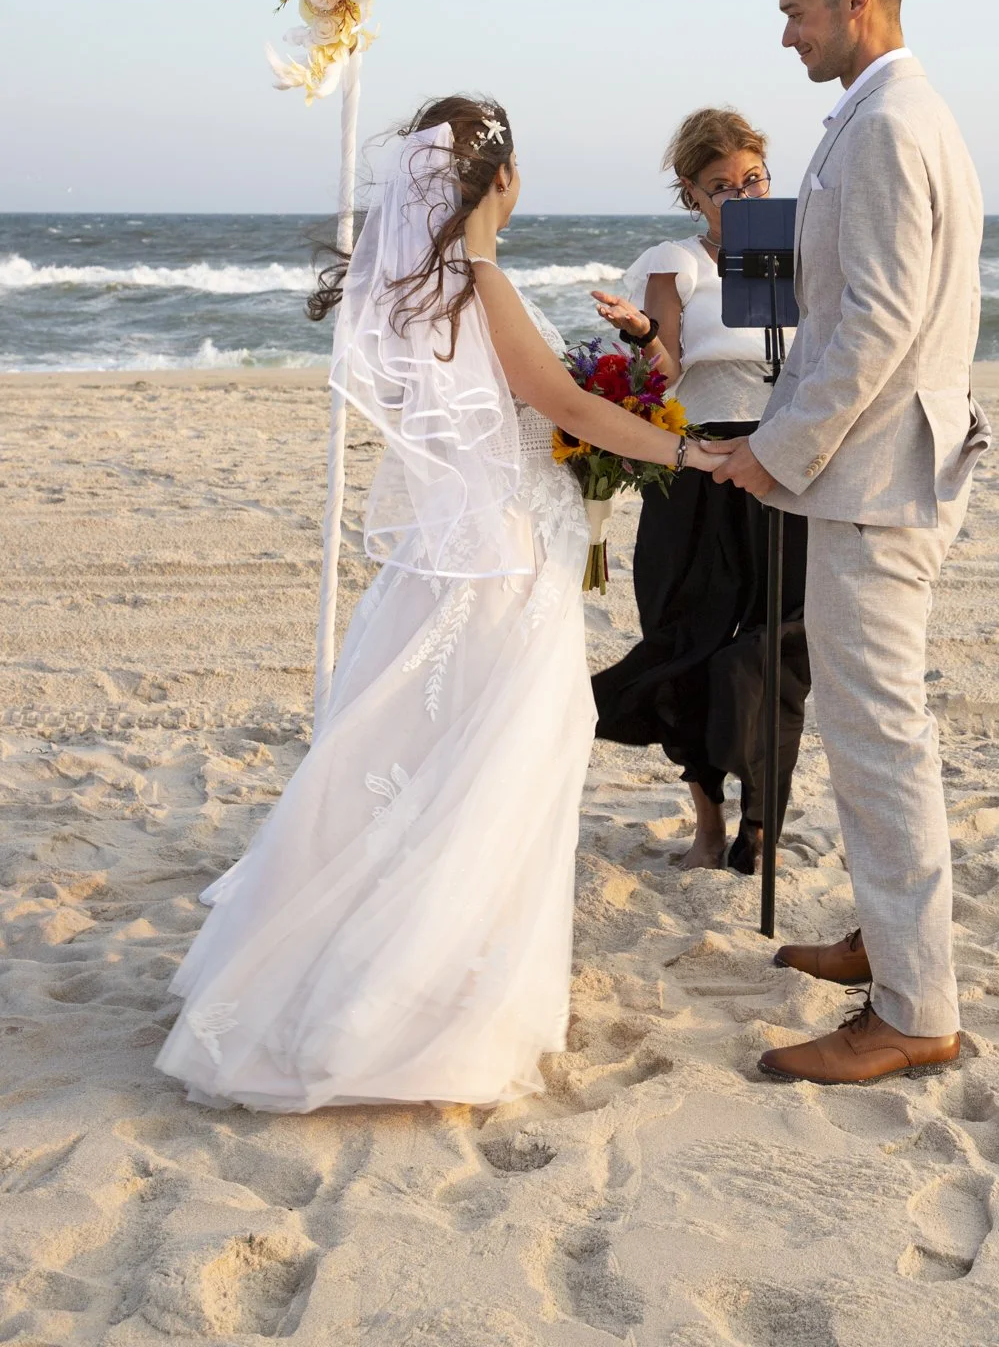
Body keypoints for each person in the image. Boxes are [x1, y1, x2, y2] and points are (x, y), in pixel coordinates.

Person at [157, 95, 720, 1112]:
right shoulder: (483, 280)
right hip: (505, 564)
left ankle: (395, 963)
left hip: (448, 557)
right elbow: (565, 405)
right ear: (499, 179)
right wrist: (694, 450)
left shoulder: (422, 291)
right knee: (495, 765)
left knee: (428, 758)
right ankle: (429, 996)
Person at [710, 0, 992, 1086]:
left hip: (878, 477)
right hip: (886, 469)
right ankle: (892, 935)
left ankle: (916, 1005)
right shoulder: (893, 114)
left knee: (878, 734)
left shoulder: (884, 125)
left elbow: (873, 321)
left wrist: (776, 452)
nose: (786, 33)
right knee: (871, 724)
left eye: (799, 12)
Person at [590, 110, 809, 873]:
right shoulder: (674, 263)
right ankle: (709, 823)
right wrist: (643, 335)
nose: (741, 196)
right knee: (688, 643)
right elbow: (666, 378)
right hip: (698, 473)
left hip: (782, 464)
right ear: (691, 194)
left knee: (774, 653)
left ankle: (762, 829)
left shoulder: (793, 252)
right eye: (721, 187)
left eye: (754, 179)